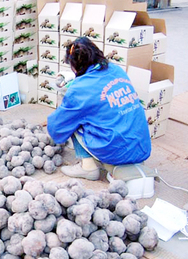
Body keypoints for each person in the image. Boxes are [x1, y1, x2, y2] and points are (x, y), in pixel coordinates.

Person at [47, 37, 151, 181]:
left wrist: (68, 97)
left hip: (117, 152)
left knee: (71, 118)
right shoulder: (116, 70)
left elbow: (56, 130)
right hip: (141, 147)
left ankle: (87, 167)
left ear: (75, 66)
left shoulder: (79, 89)